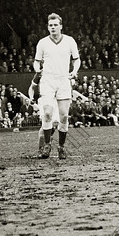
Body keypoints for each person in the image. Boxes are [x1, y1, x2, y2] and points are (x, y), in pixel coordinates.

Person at [33, 13, 80, 159]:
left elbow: (76, 60)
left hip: (63, 80)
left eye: (55, 25)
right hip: (47, 80)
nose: (53, 27)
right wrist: (37, 69)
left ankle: (61, 147)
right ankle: (47, 145)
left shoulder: (69, 41)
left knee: (64, 116)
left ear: (61, 26)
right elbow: (36, 61)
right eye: (50, 25)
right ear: (48, 27)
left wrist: (74, 71)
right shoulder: (42, 42)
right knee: (47, 113)